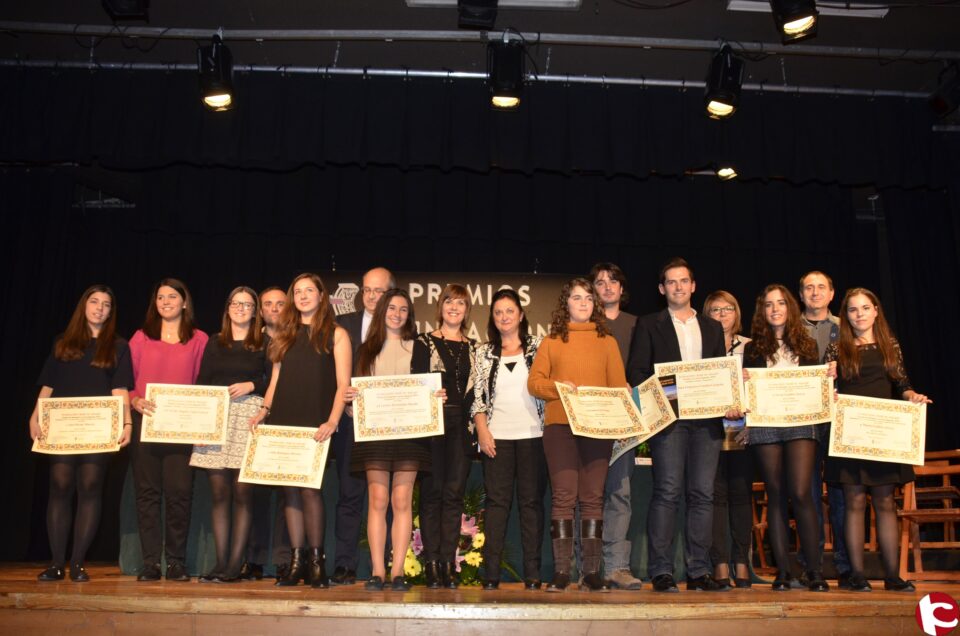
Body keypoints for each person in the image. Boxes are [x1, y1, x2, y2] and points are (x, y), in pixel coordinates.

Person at [626, 258, 727, 593]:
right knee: (667, 492)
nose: (678, 287)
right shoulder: (648, 324)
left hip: (707, 423)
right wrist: (664, 396)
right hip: (669, 424)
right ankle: (661, 571)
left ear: (693, 286)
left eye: (684, 281)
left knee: (702, 495)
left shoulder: (712, 328)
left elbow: (719, 376)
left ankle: (699, 571)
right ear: (661, 289)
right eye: (671, 282)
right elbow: (637, 373)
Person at [824, 288, 930, 592]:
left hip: (884, 435)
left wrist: (914, 397)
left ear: (875, 311)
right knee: (855, 502)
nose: (859, 314)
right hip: (850, 435)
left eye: (865, 308)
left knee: (885, 503)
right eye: (853, 309)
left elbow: (902, 384)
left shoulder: (889, 344)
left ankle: (892, 576)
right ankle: (856, 575)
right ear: (846, 315)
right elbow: (824, 389)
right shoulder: (836, 349)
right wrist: (827, 389)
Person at [251, 273, 351, 588]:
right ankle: (296, 561)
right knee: (289, 492)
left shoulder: (337, 334)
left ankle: (317, 562)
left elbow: (342, 385)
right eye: (298, 291)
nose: (303, 296)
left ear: (322, 296)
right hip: (284, 419)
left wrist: (333, 421)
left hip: (316, 424)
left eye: (309, 290)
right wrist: (264, 412)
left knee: (310, 491)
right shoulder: (284, 334)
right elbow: (276, 380)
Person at [528, 277, 627, 593]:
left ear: (594, 304)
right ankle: (561, 572)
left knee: (593, 499)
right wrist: (559, 387)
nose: (583, 303)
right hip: (560, 428)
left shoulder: (607, 341)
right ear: (565, 303)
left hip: (597, 428)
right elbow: (534, 384)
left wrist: (622, 395)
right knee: (563, 498)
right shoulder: (551, 341)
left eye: (588, 298)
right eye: (576, 298)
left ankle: (590, 573)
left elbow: (617, 388)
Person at [29, 285, 134, 583]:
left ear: (111, 312)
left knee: (89, 486)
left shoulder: (118, 345)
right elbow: (48, 384)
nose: (99, 308)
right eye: (94, 302)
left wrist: (126, 423)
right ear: (83, 306)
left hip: (98, 428)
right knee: (60, 486)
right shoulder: (63, 342)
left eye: (106, 304)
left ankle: (77, 563)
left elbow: (120, 389)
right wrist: (35, 415)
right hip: (61, 427)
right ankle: (56, 563)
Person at [738, 284, 828, 592]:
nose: (775, 309)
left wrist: (826, 380)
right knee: (775, 493)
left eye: (780, 303)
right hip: (765, 424)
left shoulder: (807, 344)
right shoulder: (752, 349)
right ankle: (783, 572)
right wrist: (744, 379)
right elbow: (744, 392)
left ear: (790, 307)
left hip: (801, 424)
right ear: (761, 311)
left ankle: (814, 570)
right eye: (768, 305)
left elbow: (816, 386)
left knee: (801, 492)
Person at [345, 289, 431, 592]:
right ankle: (377, 571)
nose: (396, 314)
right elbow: (353, 398)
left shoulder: (419, 348)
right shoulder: (366, 349)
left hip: (409, 434)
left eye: (403, 309)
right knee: (378, 500)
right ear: (382, 311)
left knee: (402, 500)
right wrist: (350, 400)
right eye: (391, 308)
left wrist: (435, 397)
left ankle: (397, 572)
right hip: (376, 435)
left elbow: (426, 392)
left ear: (409, 315)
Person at [189, 287, 271, 583]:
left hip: (247, 419)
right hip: (217, 417)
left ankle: (236, 564)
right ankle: (221, 563)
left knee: (242, 493)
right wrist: (200, 424)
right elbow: (202, 383)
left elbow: (273, 380)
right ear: (228, 308)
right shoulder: (214, 342)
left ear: (255, 311)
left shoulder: (264, 342)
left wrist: (252, 385)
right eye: (236, 303)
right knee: (219, 494)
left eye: (247, 304)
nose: (241, 308)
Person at [129, 278, 208, 582]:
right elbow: (127, 382)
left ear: (184, 302)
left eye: (172, 296)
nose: (166, 302)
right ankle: (150, 562)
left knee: (179, 494)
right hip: (146, 426)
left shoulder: (199, 339)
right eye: (160, 297)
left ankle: (175, 561)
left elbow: (204, 384)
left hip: (182, 430)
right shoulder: (141, 338)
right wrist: (134, 401)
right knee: (147, 494)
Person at [472, 289, 546, 591]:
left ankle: (533, 573)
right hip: (496, 438)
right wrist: (482, 431)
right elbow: (477, 398)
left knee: (531, 505)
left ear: (521, 315)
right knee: (497, 504)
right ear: (493, 317)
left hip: (534, 437)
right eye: (498, 312)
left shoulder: (539, 348)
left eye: (509, 311)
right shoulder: (483, 352)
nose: (504, 317)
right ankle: (491, 573)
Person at [331, 266, 397, 586]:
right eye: (367, 290)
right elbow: (331, 374)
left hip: (386, 426)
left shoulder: (401, 328)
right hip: (349, 422)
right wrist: (342, 402)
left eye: (379, 291)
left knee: (381, 497)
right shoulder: (342, 325)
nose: (371, 296)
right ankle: (343, 564)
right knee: (348, 494)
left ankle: (380, 566)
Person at [412, 283, 478, 589]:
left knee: (453, 495)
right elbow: (413, 385)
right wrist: (427, 395)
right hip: (432, 427)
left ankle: (448, 563)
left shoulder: (475, 347)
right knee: (431, 494)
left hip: (462, 429)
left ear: (467, 310)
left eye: (461, 304)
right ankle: (433, 563)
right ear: (441, 307)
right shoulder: (423, 342)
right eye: (449, 302)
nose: (454, 308)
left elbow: (478, 392)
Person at [590, 262, 642, 591]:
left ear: (622, 289)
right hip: (590, 421)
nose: (607, 287)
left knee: (619, 493)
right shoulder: (581, 326)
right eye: (599, 282)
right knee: (588, 496)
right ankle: (588, 568)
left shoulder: (639, 325)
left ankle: (618, 568)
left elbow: (645, 372)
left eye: (613, 282)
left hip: (625, 421)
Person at [798, 270, 850, 588]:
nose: (815, 293)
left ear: (832, 294)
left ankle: (846, 565)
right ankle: (811, 566)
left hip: (840, 420)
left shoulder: (849, 329)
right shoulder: (788, 329)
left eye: (821, 288)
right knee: (807, 494)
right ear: (801, 295)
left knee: (843, 493)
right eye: (808, 288)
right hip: (801, 420)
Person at [703, 290, 753, 589]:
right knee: (714, 495)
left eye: (727, 309)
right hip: (708, 428)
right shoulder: (698, 348)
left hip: (741, 428)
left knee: (740, 494)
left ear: (737, 313)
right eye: (715, 310)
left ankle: (741, 560)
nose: (721, 315)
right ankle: (719, 560)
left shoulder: (750, 346)